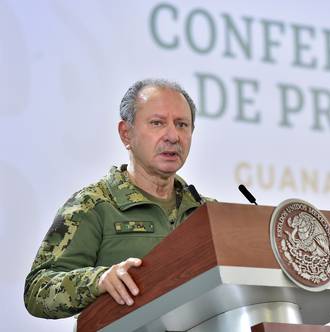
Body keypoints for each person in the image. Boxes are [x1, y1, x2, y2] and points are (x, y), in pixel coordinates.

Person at [24, 79, 211, 319]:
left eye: (182, 124)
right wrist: (97, 281)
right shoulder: (93, 204)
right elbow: (38, 291)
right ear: (126, 133)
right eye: (157, 123)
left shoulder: (207, 212)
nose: (173, 136)